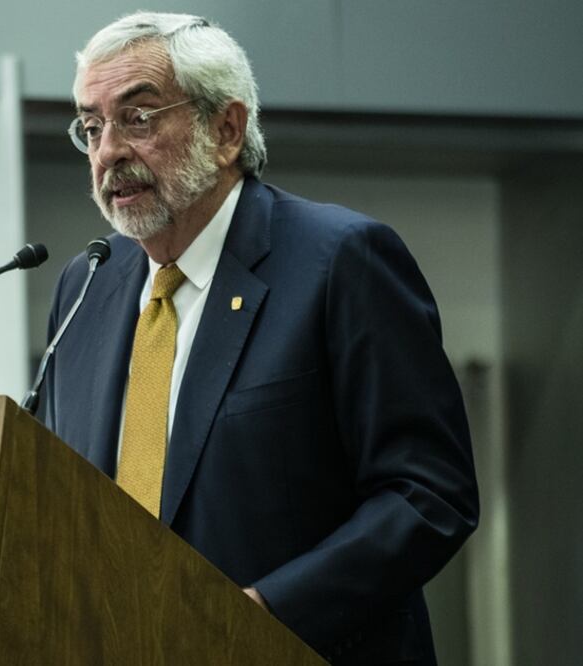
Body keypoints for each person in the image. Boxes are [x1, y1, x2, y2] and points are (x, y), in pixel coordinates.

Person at [40, 12, 479, 666]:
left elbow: (430, 494)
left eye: (138, 118)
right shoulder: (87, 284)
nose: (107, 152)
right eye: (92, 126)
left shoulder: (339, 261)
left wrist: (264, 614)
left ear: (226, 129)